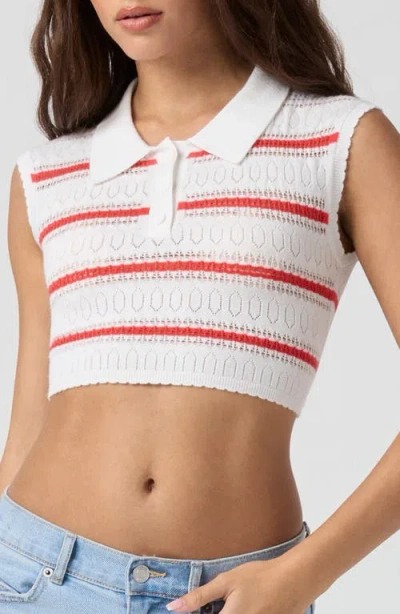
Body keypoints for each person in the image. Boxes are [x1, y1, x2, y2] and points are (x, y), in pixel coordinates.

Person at [0, 1, 399, 612]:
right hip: (33, 580)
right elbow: (28, 425)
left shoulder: (341, 142)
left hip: (241, 596)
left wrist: (301, 576)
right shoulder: (47, 178)